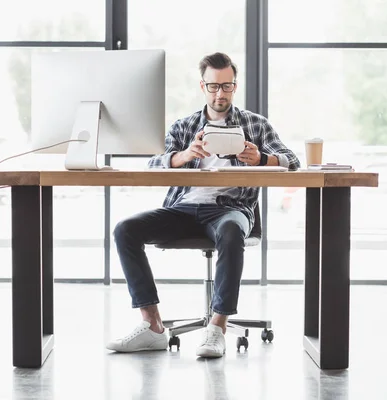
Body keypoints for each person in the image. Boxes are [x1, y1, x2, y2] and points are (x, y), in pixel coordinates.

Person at [106, 52, 300, 358]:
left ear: (235, 86)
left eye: (227, 86)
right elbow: (153, 163)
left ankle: (217, 327)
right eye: (213, 86)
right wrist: (183, 157)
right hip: (184, 208)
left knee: (233, 230)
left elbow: (292, 161)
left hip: (229, 208)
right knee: (125, 230)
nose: (220, 93)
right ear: (203, 86)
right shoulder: (184, 126)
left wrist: (262, 159)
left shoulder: (255, 124)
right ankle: (153, 325)